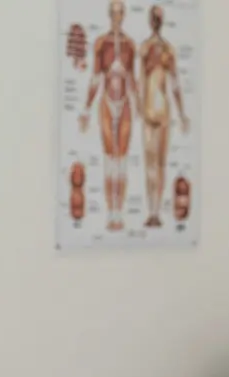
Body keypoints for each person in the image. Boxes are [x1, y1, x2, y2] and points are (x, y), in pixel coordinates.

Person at [80, 0, 141, 232]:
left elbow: (132, 79)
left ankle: (120, 211)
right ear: (109, 15)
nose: (117, 17)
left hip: (124, 104)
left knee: (122, 159)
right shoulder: (101, 44)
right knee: (109, 159)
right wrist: (86, 109)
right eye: (113, 13)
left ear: (124, 15)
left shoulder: (130, 45)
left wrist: (139, 105)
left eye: (120, 13)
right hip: (106, 103)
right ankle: (110, 212)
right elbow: (96, 78)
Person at [138, 4, 190, 228]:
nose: (156, 22)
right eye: (155, 18)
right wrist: (140, 107)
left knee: (158, 164)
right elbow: (141, 80)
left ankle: (155, 212)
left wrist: (182, 113)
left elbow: (176, 84)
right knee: (153, 164)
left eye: (158, 18)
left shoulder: (166, 50)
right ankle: (152, 211)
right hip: (152, 109)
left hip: (161, 111)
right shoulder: (146, 49)